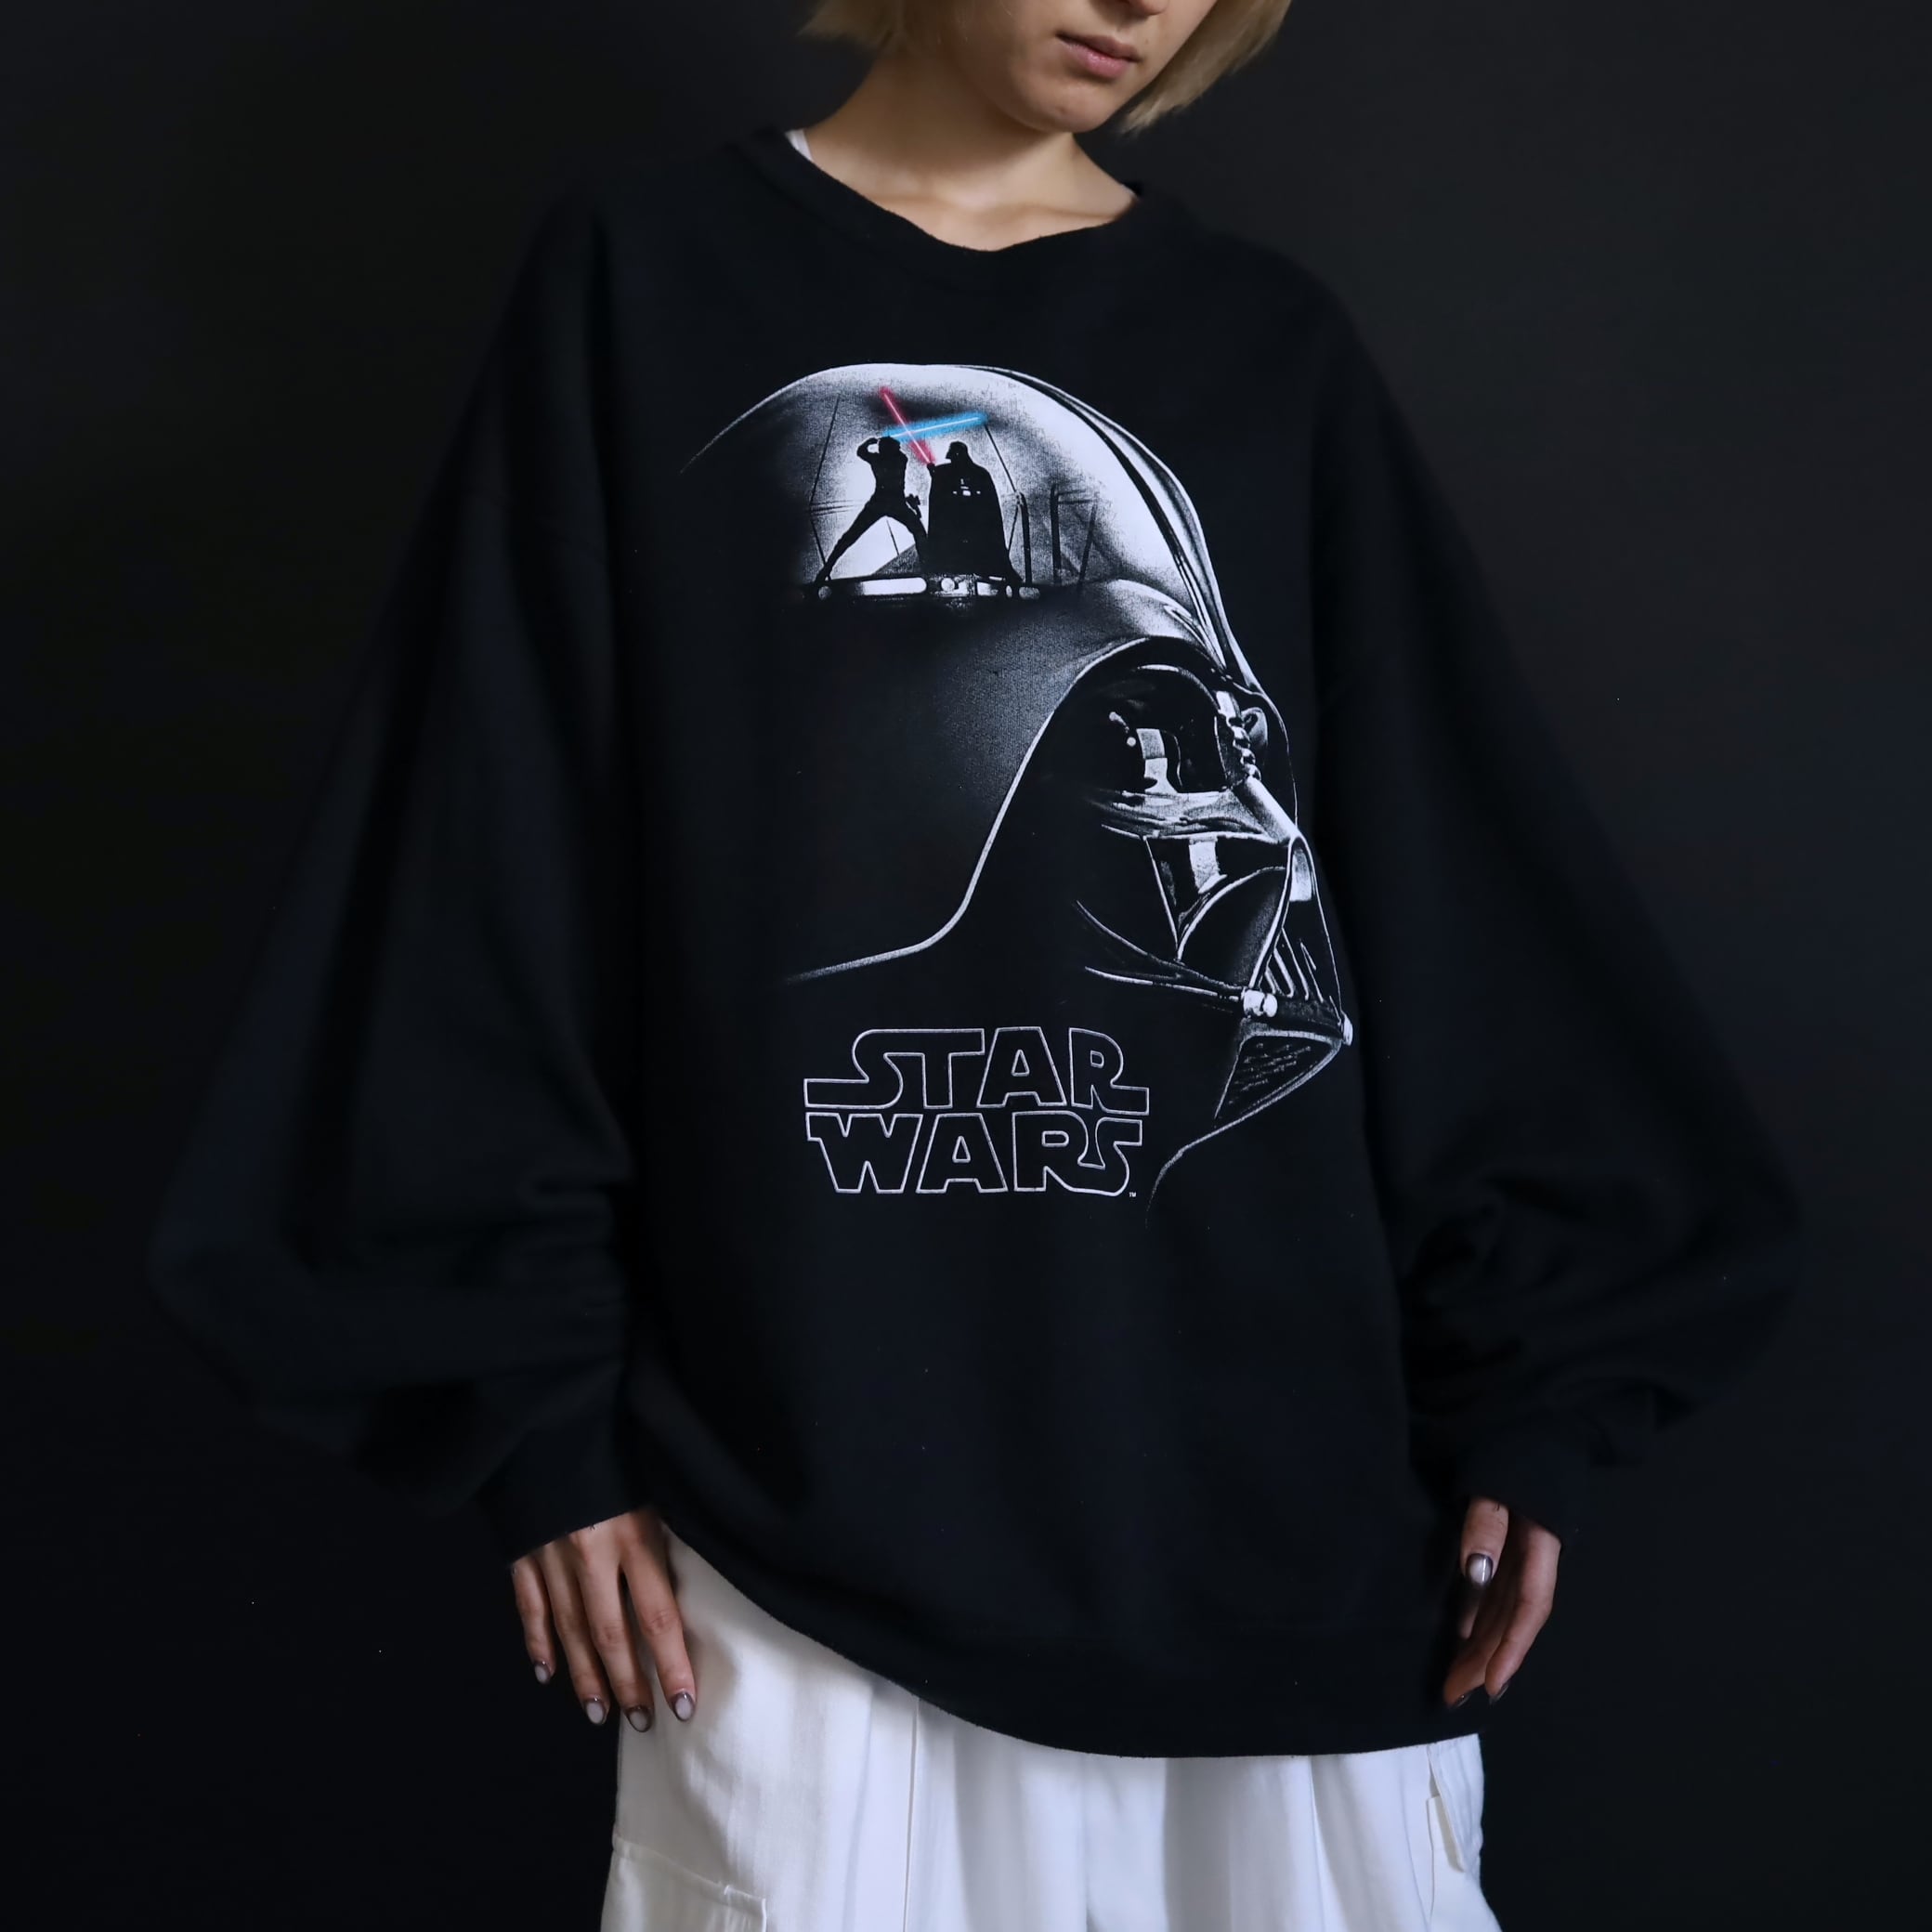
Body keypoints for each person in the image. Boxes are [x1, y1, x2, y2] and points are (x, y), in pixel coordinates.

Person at [145, 3, 1804, 1927]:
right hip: (791, 1519)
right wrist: (530, 1414)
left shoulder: (1259, 347)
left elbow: (1446, 872)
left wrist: (1539, 1380)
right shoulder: (645, 286)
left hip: (1280, 1521)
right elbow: (492, 858)